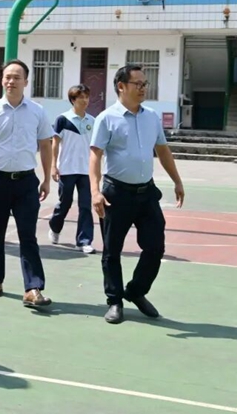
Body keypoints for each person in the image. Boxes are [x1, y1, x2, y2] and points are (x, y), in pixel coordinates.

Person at [89, 64, 185, 325]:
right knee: (112, 251)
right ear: (121, 86)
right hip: (116, 193)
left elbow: (162, 150)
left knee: (155, 247)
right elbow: (95, 156)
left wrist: (177, 180)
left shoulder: (151, 117)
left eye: (145, 84)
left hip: (146, 193)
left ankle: (135, 291)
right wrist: (95, 192)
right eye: (138, 84)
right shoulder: (106, 118)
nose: (143, 88)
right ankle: (115, 300)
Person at [0, 60, 54, 309]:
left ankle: (33, 288)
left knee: (28, 236)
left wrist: (46, 179)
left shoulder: (37, 111)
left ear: (26, 81)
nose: (11, 81)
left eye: (16, 77)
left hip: (26, 182)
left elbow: (45, 145)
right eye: (7, 77)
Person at [48, 84, 96, 254]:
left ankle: (83, 241)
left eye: (87, 97)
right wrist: (53, 166)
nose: (85, 100)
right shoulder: (63, 119)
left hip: (86, 171)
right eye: (81, 97)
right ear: (73, 100)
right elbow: (55, 144)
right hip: (67, 169)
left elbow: (95, 147)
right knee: (65, 203)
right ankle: (55, 226)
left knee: (85, 206)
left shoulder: (92, 121)